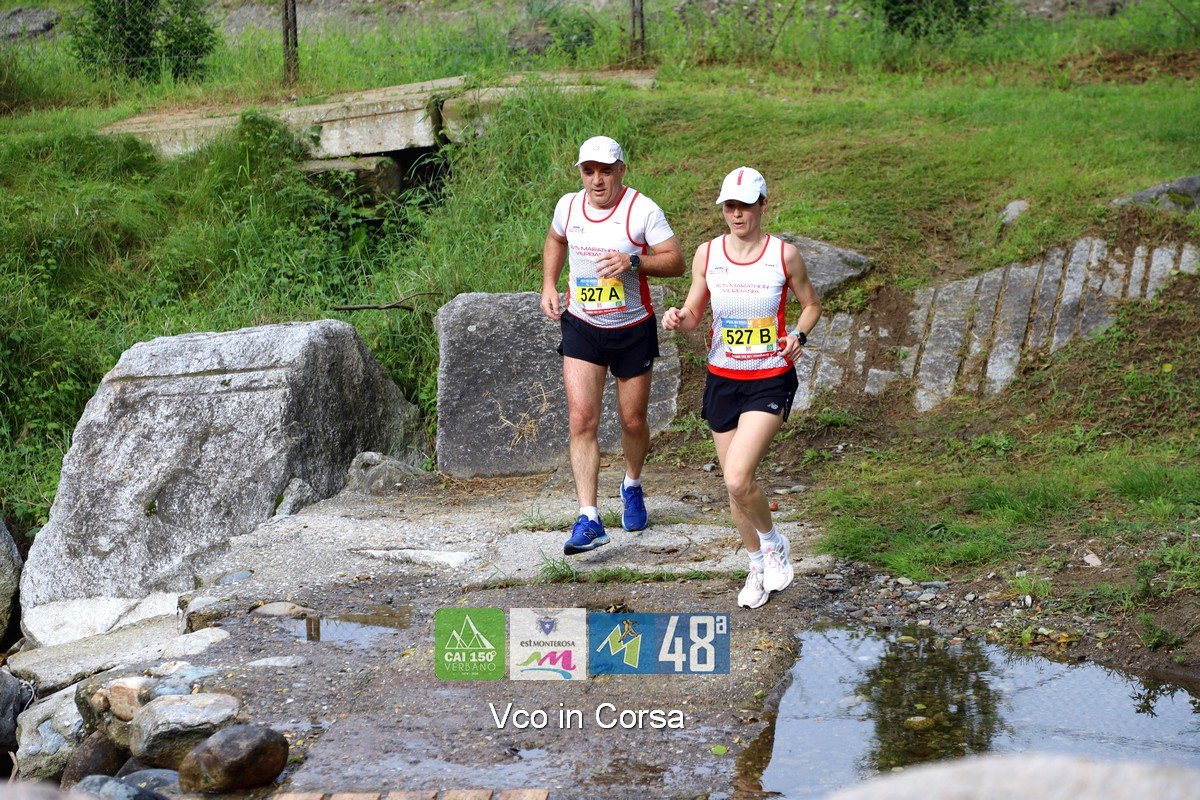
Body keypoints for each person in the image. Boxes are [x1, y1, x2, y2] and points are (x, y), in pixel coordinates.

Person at [662, 167, 821, 608]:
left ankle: (773, 544)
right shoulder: (708, 254)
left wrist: (799, 334)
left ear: (762, 205)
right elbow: (694, 314)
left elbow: (810, 304)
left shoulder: (784, 255)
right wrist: (678, 317)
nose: (736, 214)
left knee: (736, 475)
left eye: (745, 206)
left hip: (769, 377)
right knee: (736, 486)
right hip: (723, 379)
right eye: (729, 206)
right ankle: (756, 566)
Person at [541, 136, 686, 556]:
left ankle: (632, 484)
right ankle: (588, 518)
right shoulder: (569, 206)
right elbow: (556, 239)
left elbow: (676, 260)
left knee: (633, 420)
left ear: (621, 170)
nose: (597, 180)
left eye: (606, 171)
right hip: (582, 325)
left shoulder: (642, 210)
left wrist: (633, 261)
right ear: (580, 173)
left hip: (631, 328)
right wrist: (549, 283)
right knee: (581, 420)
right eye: (589, 171)